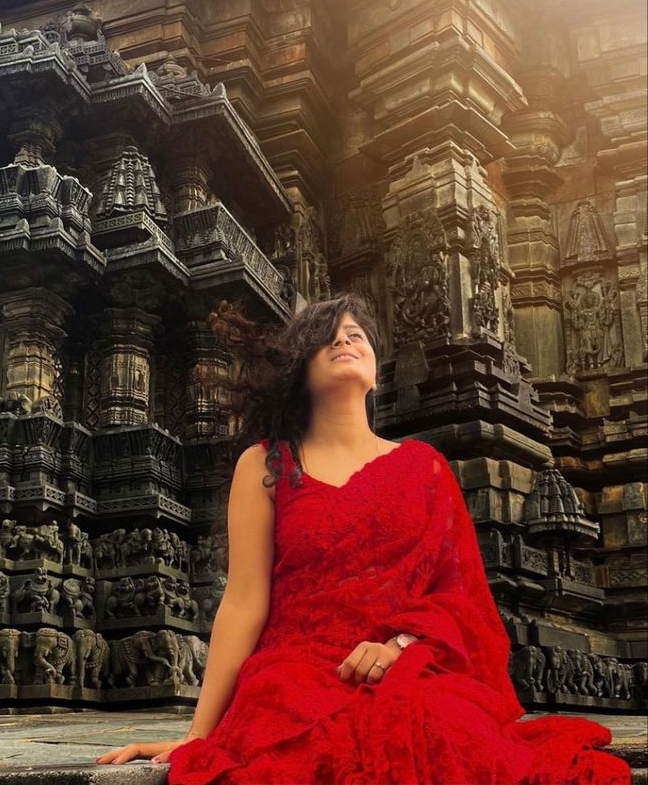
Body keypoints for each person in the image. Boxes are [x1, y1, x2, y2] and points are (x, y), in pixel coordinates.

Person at [97, 294, 630, 784]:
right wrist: (198, 735)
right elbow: (243, 602)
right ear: (299, 368)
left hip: (405, 668)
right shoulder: (267, 463)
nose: (345, 341)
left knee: (440, 726)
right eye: (326, 336)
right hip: (294, 671)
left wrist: (400, 646)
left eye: (357, 335)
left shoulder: (424, 468)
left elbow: (460, 597)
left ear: (375, 371)